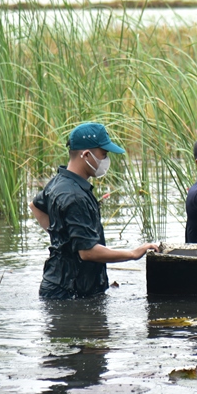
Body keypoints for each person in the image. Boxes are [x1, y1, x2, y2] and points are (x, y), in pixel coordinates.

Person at [30, 123, 158, 300]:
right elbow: (87, 252)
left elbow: (35, 206)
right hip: (71, 292)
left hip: (57, 283)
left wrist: (62, 236)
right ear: (86, 154)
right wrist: (133, 254)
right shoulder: (75, 196)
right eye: (103, 154)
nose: (106, 160)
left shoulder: (59, 181)